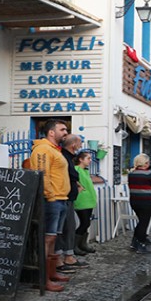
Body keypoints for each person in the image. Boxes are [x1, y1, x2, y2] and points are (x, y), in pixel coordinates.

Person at [29, 119, 70, 292]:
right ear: (51, 132)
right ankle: (43, 279)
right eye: (62, 129)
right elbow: (41, 174)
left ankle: (51, 273)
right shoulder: (43, 149)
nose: (66, 132)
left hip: (61, 199)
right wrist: (51, 196)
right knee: (47, 238)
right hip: (51, 201)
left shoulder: (54, 150)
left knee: (53, 238)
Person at [56, 134, 89, 273]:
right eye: (80, 143)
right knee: (64, 228)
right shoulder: (63, 156)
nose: (81, 146)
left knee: (69, 226)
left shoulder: (69, 157)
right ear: (74, 145)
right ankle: (63, 258)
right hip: (63, 196)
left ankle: (68, 255)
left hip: (68, 196)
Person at [73, 151, 98, 256]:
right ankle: (74, 246)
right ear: (81, 159)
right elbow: (72, 179)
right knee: (84, 223)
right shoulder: (76, 169)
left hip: (89, 200)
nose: (90, 160)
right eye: (88, 158)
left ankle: (82, 244)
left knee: (87, 223)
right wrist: (79, 186)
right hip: (81, 200)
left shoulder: (85, 171)